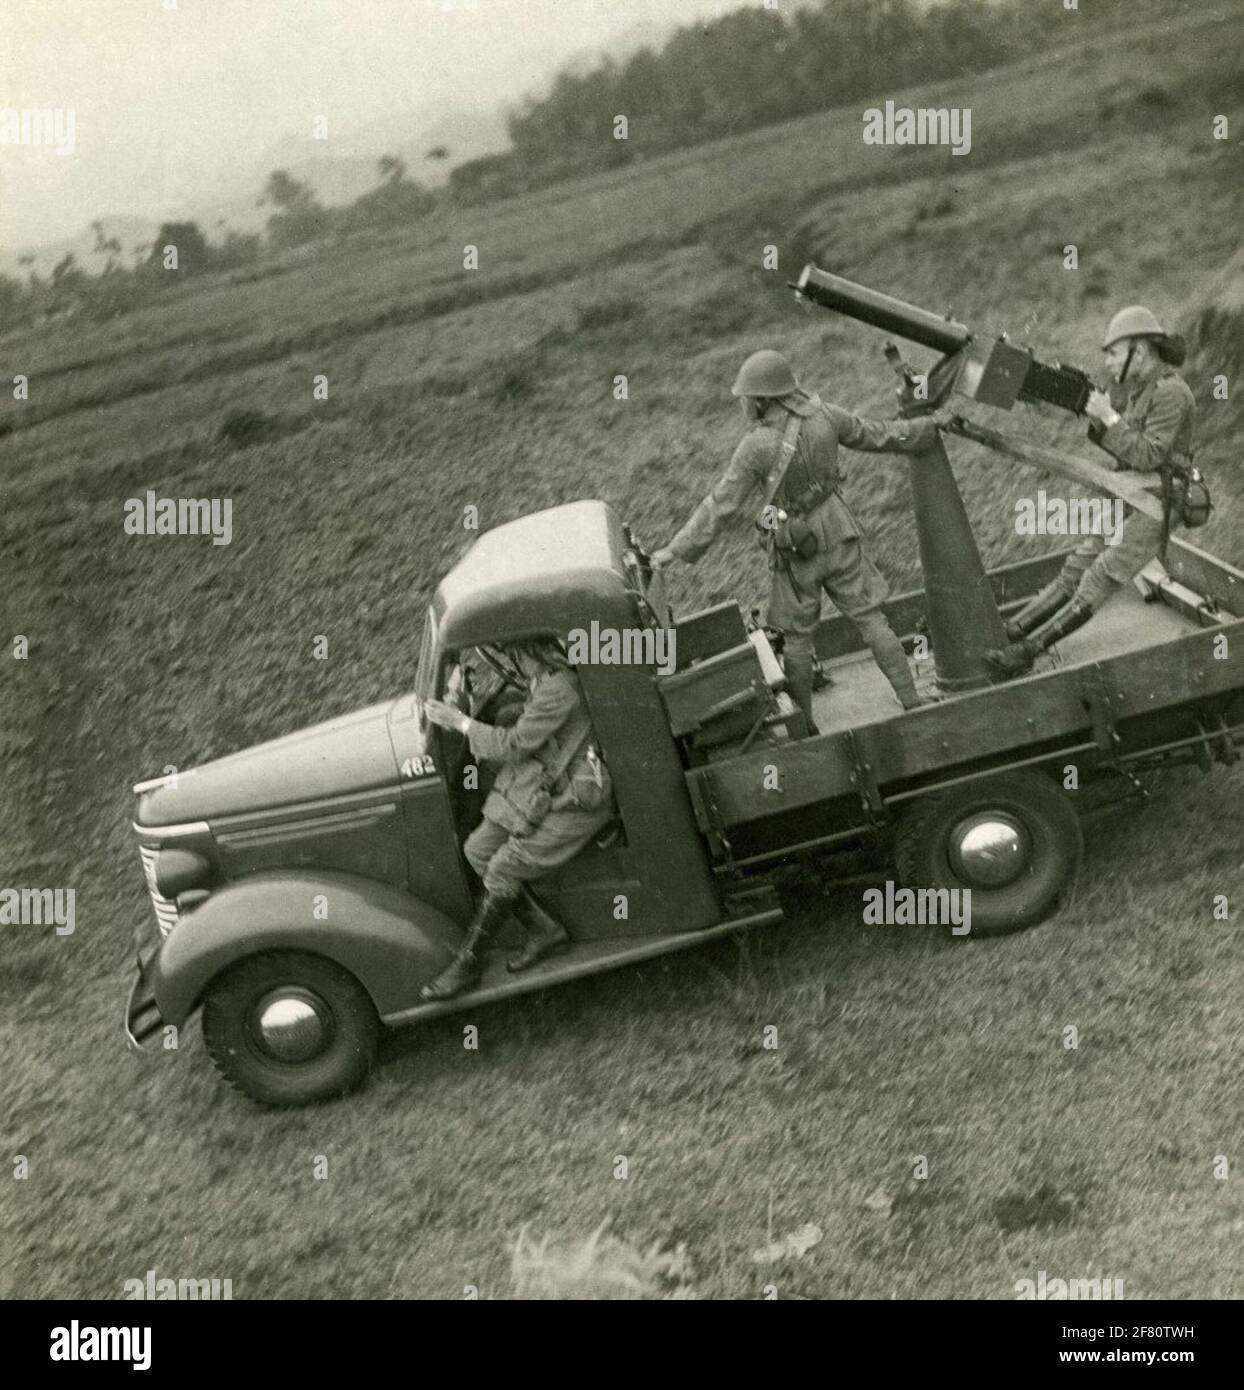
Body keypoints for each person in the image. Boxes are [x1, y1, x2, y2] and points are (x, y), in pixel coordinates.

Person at [651, 348, 948, 732]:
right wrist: (930, 425)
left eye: (745, 397)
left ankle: (805, 728)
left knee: (797, 640)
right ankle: (911, 700)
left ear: (761, 400)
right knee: (872, 620)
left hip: (796, 549)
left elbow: (720, 505)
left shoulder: (756, 445)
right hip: (839, 532)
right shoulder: (824, 415)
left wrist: (676, 550)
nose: (742, 403)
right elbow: (876, 434)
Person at [985, 306, 1196, 679]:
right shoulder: (1142, 391)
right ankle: (1013, 630)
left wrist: (1110, 418)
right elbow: (1126, 449)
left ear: (1139, 350)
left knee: (1101, 574)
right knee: (1077, 566)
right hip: (1131, 493)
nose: (1110, 363)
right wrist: (1098, 416)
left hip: (1159, 502)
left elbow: (1149, 455)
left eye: (1113, 353)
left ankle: (1030, 650)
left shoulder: (1173, 393)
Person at [420, 638, 614, 1000]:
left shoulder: (557, 689)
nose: (511, 661)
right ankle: (544, 931)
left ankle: (468, 964)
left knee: (502, 868)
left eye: (514, 653)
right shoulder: (543, 681)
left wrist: (461, 722)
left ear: (531, 652)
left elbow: (514, 745)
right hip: (547, 783)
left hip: (576, 798)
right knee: (478, 850)